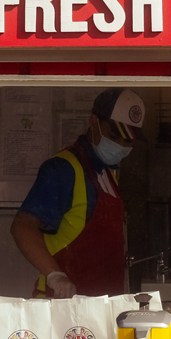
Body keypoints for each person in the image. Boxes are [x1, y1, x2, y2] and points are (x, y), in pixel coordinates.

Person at [11, 87, 147, 298]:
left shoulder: (108, 174)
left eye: (128, 141)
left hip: (100, 304)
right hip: (62, 306)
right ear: (94, 123)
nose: (121, 145)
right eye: (114, 136)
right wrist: (55, 275)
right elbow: (23, 226)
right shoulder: (63, 169)